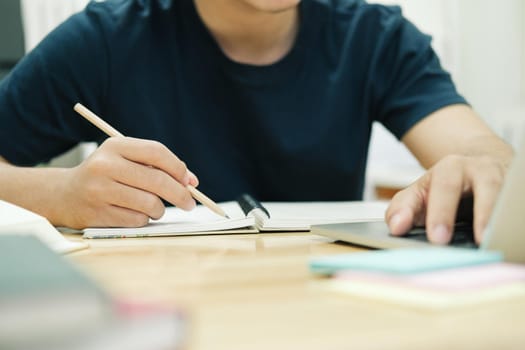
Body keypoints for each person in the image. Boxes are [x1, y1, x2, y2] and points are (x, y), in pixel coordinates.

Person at [0, 0, 513, 245]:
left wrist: (480, 172)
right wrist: (59, 194)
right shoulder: (105, 40)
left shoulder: (376, 37)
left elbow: (479, 152)